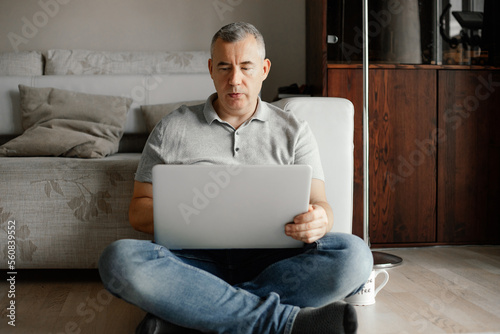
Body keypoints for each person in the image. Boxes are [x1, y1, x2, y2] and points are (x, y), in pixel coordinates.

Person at [98, 22, 373, 334]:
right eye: (225, 67)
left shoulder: (294, 131)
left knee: (354, 256)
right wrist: (194, 213)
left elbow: (321, 204)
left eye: (246, 67)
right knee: (118, 260)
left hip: (273, 265)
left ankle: (190, 315)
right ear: (211, 69)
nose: (235, 80)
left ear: (265, 69)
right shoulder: (171, 128)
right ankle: (280, 324)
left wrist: (319, 220)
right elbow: (138, 210)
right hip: (190, 265)